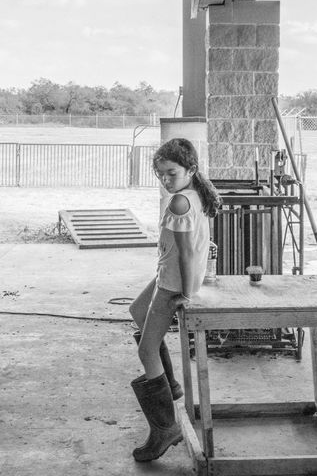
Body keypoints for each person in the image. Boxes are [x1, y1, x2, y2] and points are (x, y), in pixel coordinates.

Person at [128, 137, 221, 462]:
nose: (166, 180)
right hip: (168, 274)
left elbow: (187, 252)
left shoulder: (180, 203)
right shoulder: (193, 193)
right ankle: (170, 385)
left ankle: (165, 428)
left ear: (190, 170)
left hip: (174, 283)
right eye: (161, 174)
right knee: (137, 310)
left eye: (172, 173)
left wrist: (186, 293)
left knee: (146, 350)